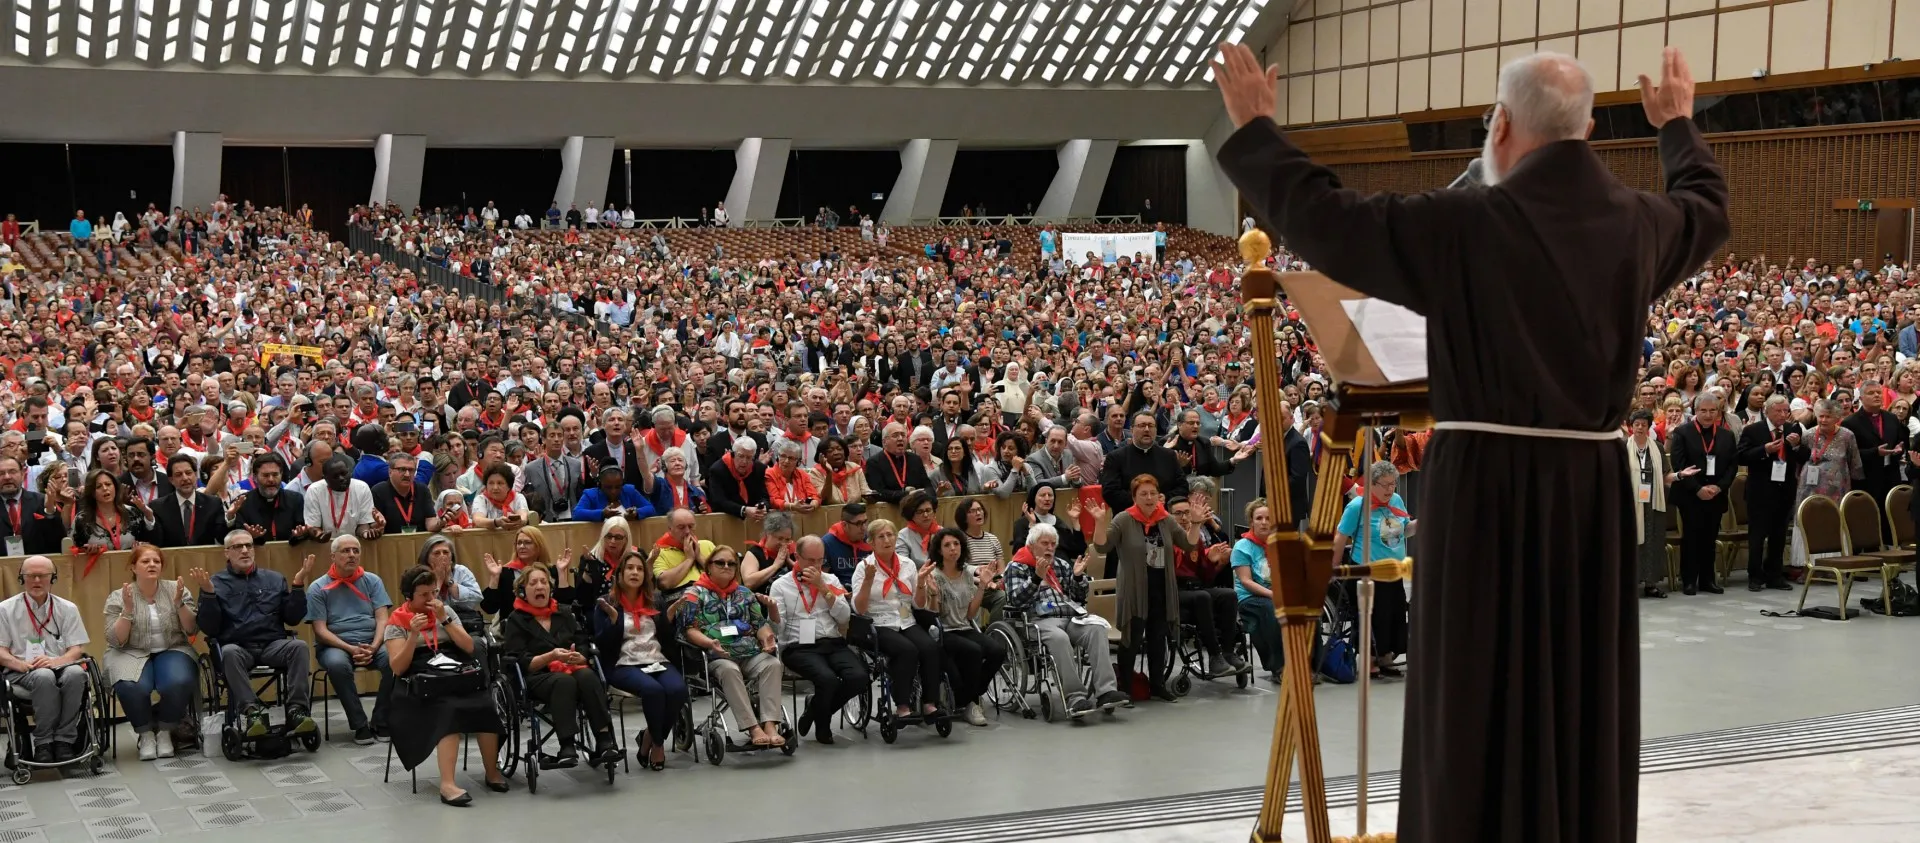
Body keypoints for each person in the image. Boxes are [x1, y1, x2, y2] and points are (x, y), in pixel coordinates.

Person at [1213, 41, 1728, 837]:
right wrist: (1678, 127)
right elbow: (1707, 205)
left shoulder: (1465, 222)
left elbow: (1329, 218)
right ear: (1588, 126)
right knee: (1575, 689)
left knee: (1474, 690)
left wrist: (1255, 128)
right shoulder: (1637, 223)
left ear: (1500, 125)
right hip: (1589, 494)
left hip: (1486, 487)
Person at [382, 565, 507, 805]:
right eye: (424, 595)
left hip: (452, 671)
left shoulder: (446, 611)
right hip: (418, 681)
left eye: (433, 593)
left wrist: (445, 619)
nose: (431, 599)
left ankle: (492, 772)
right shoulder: (396, 622)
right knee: (448, 711)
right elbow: (398, 668)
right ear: (410, 597)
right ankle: (447, 784)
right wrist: (412, 635)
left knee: (484, 703)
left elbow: (469, 647)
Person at [196, 530, 317, 737]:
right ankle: (252, 712)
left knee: (299, 646)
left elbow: (293, 618)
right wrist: (208, 594)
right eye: (238, 547)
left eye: (249, 546)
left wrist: (297, 585)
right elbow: (210, 628)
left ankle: (297, 710)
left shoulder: (275, 579)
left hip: (272, 645)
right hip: (239, 647)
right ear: (227, 553)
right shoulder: (215, 583)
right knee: (230, 652)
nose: (245, 550)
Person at [501, 561, 621, 768]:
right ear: (523, 591)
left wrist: (581, 657)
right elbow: (518, 660)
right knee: (563, 682)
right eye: (533, 583)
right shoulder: (516, 620)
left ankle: (604, 740)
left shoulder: (564, 613)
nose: (540, 587)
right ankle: (567, 746)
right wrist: (551, 656)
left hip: (572, 668)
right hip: (537, 675)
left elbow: (583, 642)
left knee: (588, 676)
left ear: (550, 587)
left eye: (543, 582)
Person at [1003, 524, 1126, 717]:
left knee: (1096, 629)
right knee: (1059, 638)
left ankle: (1106, 691)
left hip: (1070, 616)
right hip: (1039, 619)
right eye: (1045, 543)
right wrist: (1036, 578)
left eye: (1053, 544)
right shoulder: (1016, 566)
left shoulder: (1060, 564)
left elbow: (1078, 598)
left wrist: (1077, 578)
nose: (1050, 547)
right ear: (1032, 545)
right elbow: (1015, 600)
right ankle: (1075, 697)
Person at [674, 545, 786, 747]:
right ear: (709, 567)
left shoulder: (745, 594)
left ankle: (770, 724)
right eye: (720, 562)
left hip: (749, 653)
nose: (726, 566)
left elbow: (759, 625)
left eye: (731, 563)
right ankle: (753, 728)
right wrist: (710, 642)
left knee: (772, 664)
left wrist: (767, 638)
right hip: (716, 656)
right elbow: (688, 630)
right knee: (730, 670)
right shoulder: (693, 594)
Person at [1105, 475, 1200, 701]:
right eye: (1143, 494)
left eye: (1152, 494)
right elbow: (1103, 545)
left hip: (1161, 587)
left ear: (1159, 495)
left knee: (1159, 638)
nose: (1149, 498)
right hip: (1135, 589)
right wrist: (1099, 522)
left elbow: (1188, 544)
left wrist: (1195, 523)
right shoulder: (1123, 519)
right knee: (1132, 639)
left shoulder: (1165, 519)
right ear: (1134, 496)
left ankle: (1157, 685)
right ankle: (1126, 688)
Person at [103, 544, 200, 761]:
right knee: (130, 685)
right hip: (129, 650)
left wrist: (179, 604)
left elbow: (192, 629)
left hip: (172, 647)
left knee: (179, 681)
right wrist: (127, 611)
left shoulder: (177, 589)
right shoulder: (119, 596)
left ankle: (165, 732)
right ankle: (145, 734)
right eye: (145, 561)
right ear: (133, 567)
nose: (152, 565)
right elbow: (115, 639)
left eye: (156, 561)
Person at [591, 550, 687, 769]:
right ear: (620, 574)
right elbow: (602, 644)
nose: (635, 572)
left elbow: (667, 639)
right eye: (630, 568)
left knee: (677, 689)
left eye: (640, 569)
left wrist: (669, 619)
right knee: (653, 691)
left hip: (656, 659)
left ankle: (649, 737)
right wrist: (614, 622)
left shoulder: (656, 601)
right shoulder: (607, 603)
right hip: (623, 663)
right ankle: (659, 745)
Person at [769, 535, 867, 745]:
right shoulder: (781, 585)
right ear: (797, 557)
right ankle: (823, 727)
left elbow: (844, 617)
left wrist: (824, 588)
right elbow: (779, 629)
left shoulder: (830, 581)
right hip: (798, 646)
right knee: (828, 680)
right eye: (810, 560)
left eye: (820, 561)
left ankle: (814, 710)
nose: (815, 565)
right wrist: (772, 613)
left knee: (859, 678)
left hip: (831, 642)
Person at [852, 519, 945, 723]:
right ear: (872, 542)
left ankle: (930, 703)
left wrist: (921, 584)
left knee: (930, 648)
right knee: (906, 650)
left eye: (890, 535)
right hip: (878, 622)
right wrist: (868, 581)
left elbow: (918, 605)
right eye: (881, 536)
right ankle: (903, 704)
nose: (887, 540)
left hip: (905, 618)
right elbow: (858, 608)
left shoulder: (907, 564)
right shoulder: (864, 567)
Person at [0, 555, 90, 764]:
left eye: (42, 575)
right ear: (21, 578)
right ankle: (43, 742)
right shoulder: (5, 609)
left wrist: (58, 661)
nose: (37, 581)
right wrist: (19, 664)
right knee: (43, 676)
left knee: (77, 674)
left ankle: (64, 740)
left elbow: (76, 648)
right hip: (20, 671)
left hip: (60, 665)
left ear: (53, 578)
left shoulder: (67, 608)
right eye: (31, 576)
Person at [307, 534, 393, 744]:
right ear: (333, 556)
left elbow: (383, 619)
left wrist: (373, 647)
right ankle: (360, 724)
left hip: (372, 641)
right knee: (337, 666)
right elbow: (320, 630)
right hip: (335, 644)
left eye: (356, 550)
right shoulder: (318, 587)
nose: (352, 555)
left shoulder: (373, 581)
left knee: (396, 660)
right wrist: (350, 648)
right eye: (346, 551)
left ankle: (381, 721)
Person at [1332, 462, 1416, 680]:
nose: (1390, 489)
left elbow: (1404, 530)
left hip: (1393, 571)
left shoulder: (1396, 501)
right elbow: (1341, 536)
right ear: (1371, 484)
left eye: (1393, 484)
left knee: (1396, 614)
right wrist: (1334, 568)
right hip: (1366, 571)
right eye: (1385, 485)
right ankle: (1370, 660)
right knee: (1377, 614)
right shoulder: (1357, 506)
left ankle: (1386, 657)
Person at [924, 527, 1005, 727]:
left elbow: (970, 614)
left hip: (964, 626)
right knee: (973, 651)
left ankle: (971, 695)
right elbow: (935, 615)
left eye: (956, 544)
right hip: (942, 630)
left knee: (997, 651)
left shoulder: (966, 573)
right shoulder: (934, 575)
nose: (953, 548)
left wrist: (982, 586)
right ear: (939, 550)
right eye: (947, 545)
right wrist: (934, 594)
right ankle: (970, 702)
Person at [1168, 489, 1250, 678]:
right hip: (1175, 591)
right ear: (1169, 516)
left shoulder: (1195, 537)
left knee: (1228, 594)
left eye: (1187, 512)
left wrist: (1215, 562)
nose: (1183, 517)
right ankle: (1214, 656)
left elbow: (1205, 578)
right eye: (1178, 513)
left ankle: (1228, 653)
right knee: (1202, 596)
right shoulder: (1166, 538)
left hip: (1196, 588)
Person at [1667, 393, 1738, 595]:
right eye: (1703, 411)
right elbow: (1679, 464)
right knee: (1691, 537)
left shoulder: (1727, 435)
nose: (1708, 415)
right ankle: (1689, 580)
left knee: (1710, 537)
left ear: (1718, 411)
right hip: (1690, 495)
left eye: (1712, 410)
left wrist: (1719, 487)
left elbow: (1732, 467)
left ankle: (1708, 579)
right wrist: (1697, 489)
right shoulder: (1682, 433)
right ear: (1695, 411)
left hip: (1715, 494)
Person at [1733, 396, 1805, 592]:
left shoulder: (1793, 429)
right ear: (1768, 411)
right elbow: (1741, 456)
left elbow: (1803, 457)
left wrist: (1797, 446)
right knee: (1757, 536)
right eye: (1779, 411)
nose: (1783, 415)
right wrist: (1764, 450)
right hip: (1760, 492)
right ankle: (1755, 576)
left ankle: (1774, 575)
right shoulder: (1753, 430)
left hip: (1784, 490)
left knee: (1779, 536)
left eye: (1786, 411)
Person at [1231, 500, 1284, 684]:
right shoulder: (1242, 547)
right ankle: (1278, 667)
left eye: (1268, 518)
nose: (1264, 522)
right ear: (1251, 522)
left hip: (1276, 594)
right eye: (1259, 518)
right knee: (1272, 610)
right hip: (1249, 598)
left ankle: (1311, 665)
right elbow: (1246, 581)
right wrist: (1274, 595)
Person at [153, 452, 231, 547]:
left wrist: (230, 517)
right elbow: (157, 542)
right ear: (171, 480)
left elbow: (222, 538)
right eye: (178, 475)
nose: (185, 478)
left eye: (188, 473)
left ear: (195, 475)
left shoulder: (212, 503)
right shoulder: (159, 507)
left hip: (205, 559)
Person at [303, 454, 382, 541]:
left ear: (350, 472)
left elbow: (363, 524)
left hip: (353, 544)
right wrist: (319, 535)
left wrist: (366, 533)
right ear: (325, 478)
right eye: (335, 476)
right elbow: (313, 526)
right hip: (325, 545)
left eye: (344, 473)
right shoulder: (314, 490)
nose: (341, 478)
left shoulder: (362, 487)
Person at [651, 507, 715, 600]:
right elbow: (664, 583)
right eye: (681, 527)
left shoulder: (707, 545)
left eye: (691, 526)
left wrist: (699, 557)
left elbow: (724, 576)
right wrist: (689, 559)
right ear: (670, 529)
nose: (687, 531)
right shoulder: (659, 551)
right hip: (680, 599)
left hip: (713, 596)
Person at [373, 451, 438, 534]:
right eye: (402, 469)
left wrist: (441, 522)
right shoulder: (378, 491)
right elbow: (375, 526)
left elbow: (430, 523)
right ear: (390, 472)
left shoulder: (422, 489)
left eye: (411, 470)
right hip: (390, 544)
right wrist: (378, 526)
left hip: (418, 543)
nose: (407, 474)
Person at [573, 464, 656, 522]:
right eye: (608, 487)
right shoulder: (590, 495)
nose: (613, 491)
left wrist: (636, 513)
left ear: (622, 483)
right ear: (600, 484)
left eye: (618, 487)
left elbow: (651, 508)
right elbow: (576, 514)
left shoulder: (629, 491)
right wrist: (602, 514)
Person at [742, 511, 798, 593]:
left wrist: (790, 563)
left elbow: (807, 576)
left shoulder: (793, 551)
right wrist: (776, 565)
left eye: (787, 539)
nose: (784, 543)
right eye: (780, 538)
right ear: (768, 534)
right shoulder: (755, 553)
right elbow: (749, 583)